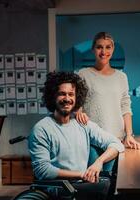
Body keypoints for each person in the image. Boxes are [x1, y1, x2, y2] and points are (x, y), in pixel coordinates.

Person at [28, 72, 125, 200]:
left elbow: (116, 144)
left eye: (71, 94)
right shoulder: (41, 129)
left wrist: (98, 162)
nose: (67, 98)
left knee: (116, 186)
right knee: (110, 188)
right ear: (53, 96)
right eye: (62, 94)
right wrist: (81, 174)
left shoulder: (83, 124)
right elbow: (43, 170)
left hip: (79, 184)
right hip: (58, 188)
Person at [77, 32, 140, 150]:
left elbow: (125, 107)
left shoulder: (121, 77)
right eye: (99, 47)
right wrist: (78, 113)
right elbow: (78, 105)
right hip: (92, 139)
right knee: (94, 169)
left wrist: (129, 135)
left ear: (113, 49)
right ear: (93, 49)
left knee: (119, 169)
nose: (103, 52)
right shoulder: (83, 74)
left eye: (108, 47)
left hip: (118, 139)